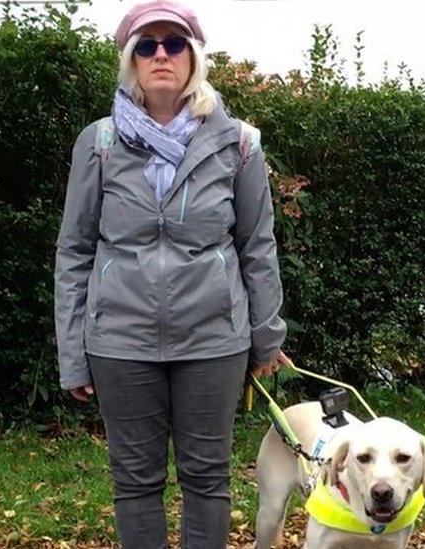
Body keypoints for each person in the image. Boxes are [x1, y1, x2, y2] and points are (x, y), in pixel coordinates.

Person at [53, 1, 288, 546]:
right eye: (147, 45)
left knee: (207, 478)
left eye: (174, 44)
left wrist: (266, 337)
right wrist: (73, 353)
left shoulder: (238, 144)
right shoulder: (100, 144)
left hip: (212, 339)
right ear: (131, 61)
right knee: (135, 482)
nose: (161, 54)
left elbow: (257, 246)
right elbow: (74, 251)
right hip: (120, 340)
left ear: (193, 58)